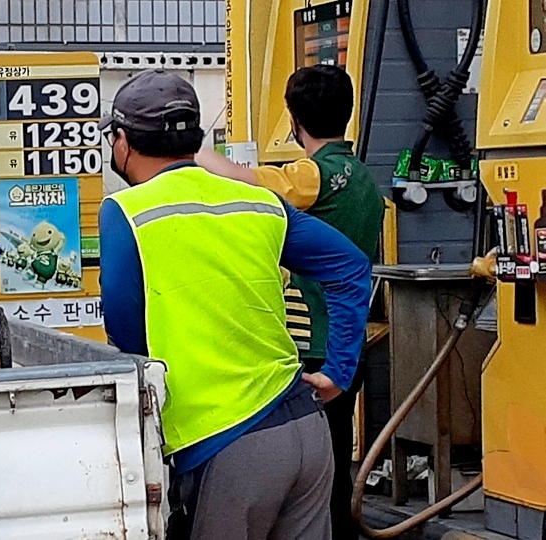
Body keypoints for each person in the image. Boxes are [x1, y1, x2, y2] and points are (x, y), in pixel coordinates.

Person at [98, 68, 372, 540]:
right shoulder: (258, 201)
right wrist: (339, 370)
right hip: (304, 429)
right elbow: (350, 267)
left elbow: (126, 332)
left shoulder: (127, 212)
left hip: (224, 444)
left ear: (122, 141)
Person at [196, 64, 385, 540]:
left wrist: (191, 151)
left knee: (309, 479)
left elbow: (245, 180)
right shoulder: (364, 177)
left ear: (295, 122)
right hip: (350, 339)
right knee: (336, 462)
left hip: (314, 344)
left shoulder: (313, 175)